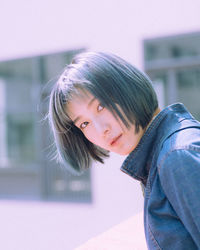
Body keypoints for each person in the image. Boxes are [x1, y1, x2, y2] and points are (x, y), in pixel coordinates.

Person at [48, 51, 200, 249]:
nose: (102, 130)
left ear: (127, 87)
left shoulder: (177, 156)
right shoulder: (163, 154)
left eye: (101, 106)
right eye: (84, 124)